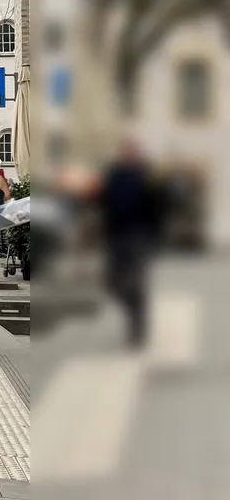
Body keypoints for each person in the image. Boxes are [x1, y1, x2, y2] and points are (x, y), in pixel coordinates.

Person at [98, 137, 163, 347]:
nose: (129, 154)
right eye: (126, 151)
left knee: (136, 282)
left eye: (133, 151)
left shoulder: (147, 175)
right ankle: (133, 309)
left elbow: (158, 206)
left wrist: (154, 236)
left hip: (138, 235)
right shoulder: (114, 174)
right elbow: (103, 200)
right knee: (112, 283)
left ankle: (137, 327)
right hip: (115, 234)